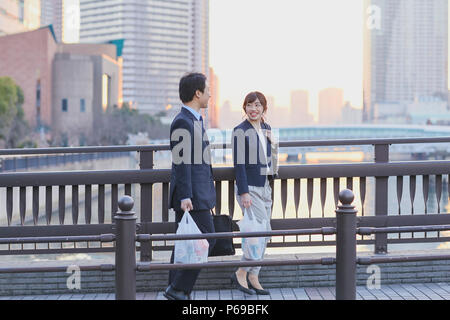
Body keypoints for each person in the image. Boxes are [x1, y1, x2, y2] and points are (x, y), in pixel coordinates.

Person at [164, 72, 216, 300]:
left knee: (184, 244)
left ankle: (174, 289)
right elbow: (181, 162)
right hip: (191, 196)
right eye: (207, 90)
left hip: (196, 193)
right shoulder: (183, 121)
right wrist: (186, 195)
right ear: (197, 93)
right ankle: (177, 289)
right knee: (207, 238)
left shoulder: (193, 119)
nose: (210, 94)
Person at [231, 91, 278, 295]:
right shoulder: (239, 131)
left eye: (258, 105)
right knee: (256, 234)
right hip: (249, 188)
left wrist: (273, 143)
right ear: (245, 108)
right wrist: (243, 192)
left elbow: (273, 166)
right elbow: (238, 164)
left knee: (265, 233)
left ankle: (253, 275)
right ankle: (242, 272)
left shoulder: (267, 129)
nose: (254, 109)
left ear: (264, 109)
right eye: (250, 105)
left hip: (265, 186)